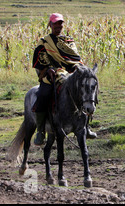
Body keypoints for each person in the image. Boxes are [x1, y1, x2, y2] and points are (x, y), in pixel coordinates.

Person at [32, 13, 97, 145]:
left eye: (60, 23)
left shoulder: (69, 41)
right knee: (43, 94)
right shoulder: (44, 42)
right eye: (55, 23)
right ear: (50, 25)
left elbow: (75, 59)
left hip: (71, 72)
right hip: (52, 74)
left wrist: (80, 69)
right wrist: (48, 69)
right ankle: (40, 131)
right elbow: (40, 62)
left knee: (86, 92)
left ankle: (86, 126)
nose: (58, 26)